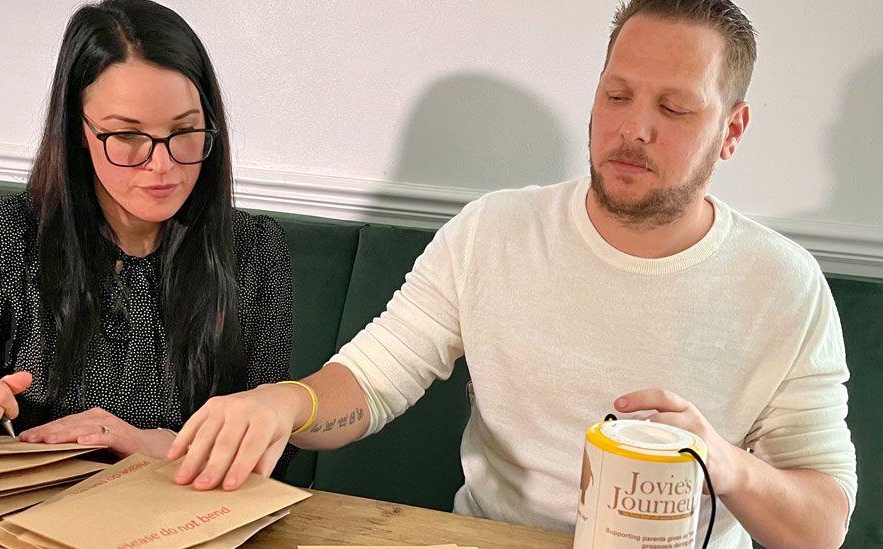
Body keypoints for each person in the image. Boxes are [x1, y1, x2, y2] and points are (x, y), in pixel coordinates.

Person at [167, 0, 857, 546]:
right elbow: (374, 378)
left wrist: (721, 462)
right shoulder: (492, 231)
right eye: (617, 96)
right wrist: (281, 404)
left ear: (732, 130)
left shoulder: (784, 284)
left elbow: (821, 524)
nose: (634, 128)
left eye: (674, 108)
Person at [0, 0, 296, 481]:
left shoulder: (253, 252)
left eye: (185, 130)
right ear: (78, 131)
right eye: (126, 135)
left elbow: (273, 441)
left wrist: (159, 445)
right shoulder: (5, 237)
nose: (162, 165)